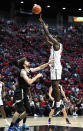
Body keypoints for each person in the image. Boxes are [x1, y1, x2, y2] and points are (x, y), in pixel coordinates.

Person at [8, 57, 54, 130]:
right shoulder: (23, 72)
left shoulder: (29, 70)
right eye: (26, 61)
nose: (28, 62)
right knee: (19, 110)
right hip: (20, 92)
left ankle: (16, 123)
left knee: (28, 111)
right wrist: (37, 76)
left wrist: (48, 63)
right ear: (24, 65)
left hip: (25, 92)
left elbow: (40, 67)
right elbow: (29, 82)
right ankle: (10, 127)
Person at [39, 15, 63, 114]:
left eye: (55, 38)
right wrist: (44, 29)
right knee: (54, 86)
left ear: (58, 40)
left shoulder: (57, 45)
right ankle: (58, 104)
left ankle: (59, 104)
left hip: (56, 67)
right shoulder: (54, 45)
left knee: (55, 85)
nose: (54, 39)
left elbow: (49, 36)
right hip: (54, 67)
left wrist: (44, 25)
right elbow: (47, 39)